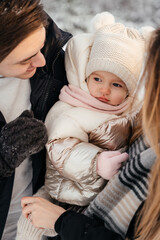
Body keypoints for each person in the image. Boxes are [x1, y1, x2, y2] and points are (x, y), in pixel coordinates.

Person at [16, 12, 154, 240]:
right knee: (30, 228)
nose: (104, 90)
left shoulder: (129, 112)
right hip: (64, 192)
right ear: (86, 75)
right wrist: (95, 162)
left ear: (130, 90)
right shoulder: (73, 108)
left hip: (97, 200)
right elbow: (59, 147)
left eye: (116, 84)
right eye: (97, 79)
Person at [0, 0, 72, 239]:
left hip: (39, 225)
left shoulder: (52, 60)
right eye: (25, 59)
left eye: (40, 48)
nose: (41, 61)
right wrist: (3, 157)